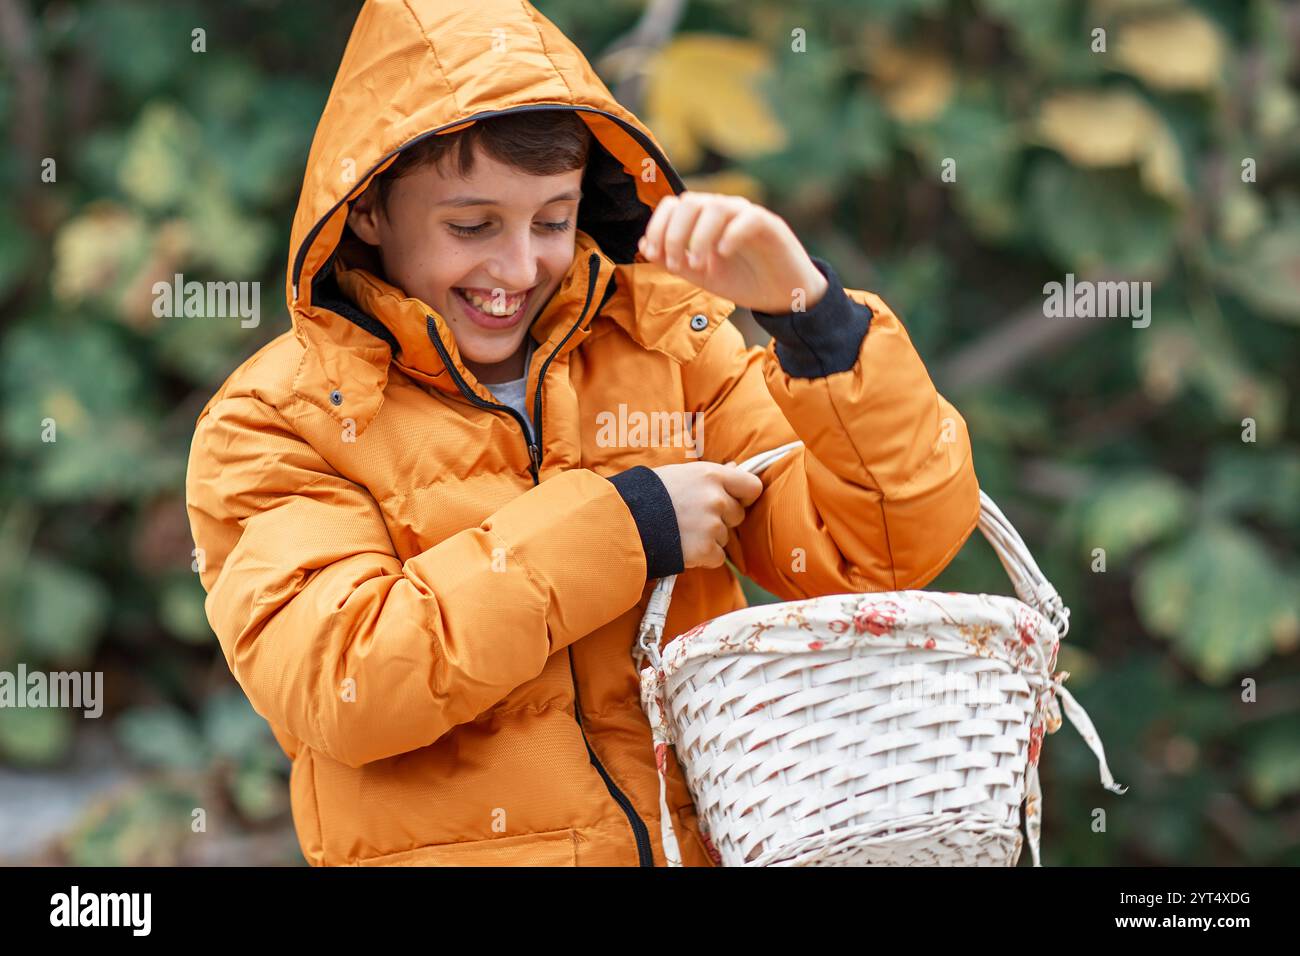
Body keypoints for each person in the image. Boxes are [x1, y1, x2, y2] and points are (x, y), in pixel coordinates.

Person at [184, 0, 981, 867]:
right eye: (472, 225)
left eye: (553, 219)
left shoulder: (670, 343)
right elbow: (346, 684)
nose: (519, 268)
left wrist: (814, 321)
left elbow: (885, 552)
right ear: (367, 211)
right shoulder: (275, 422)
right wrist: (623, 527)